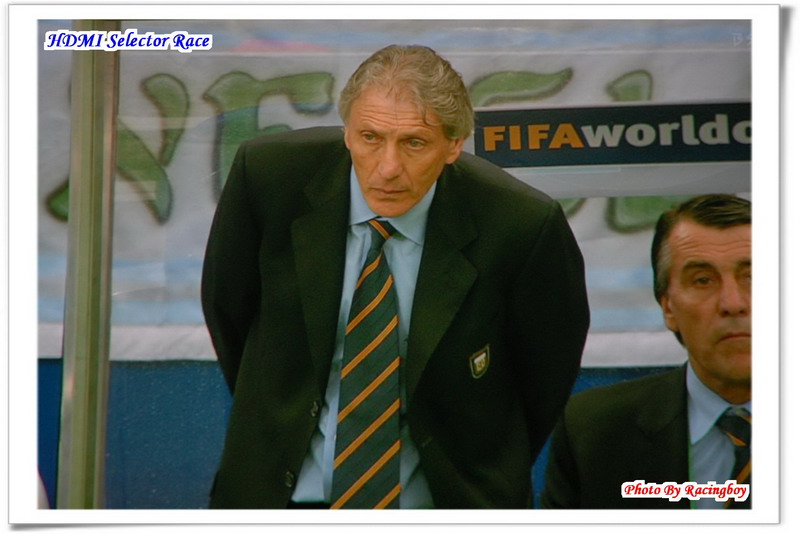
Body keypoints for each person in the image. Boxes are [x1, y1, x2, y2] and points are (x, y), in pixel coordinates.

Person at [202, 44, 589, 509]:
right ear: (347, 133)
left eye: (414, 143)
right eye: (370, 137)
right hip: (280, 501)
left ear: (453, 146)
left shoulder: (520, 225)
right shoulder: (269, 179)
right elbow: (229, 313)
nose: (388, 169)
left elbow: (545, 374)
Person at [540, 194, 751, 509]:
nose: (733, 303)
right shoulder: (594, 432)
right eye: (703, 280)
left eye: (753, 277)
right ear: (668, 307)